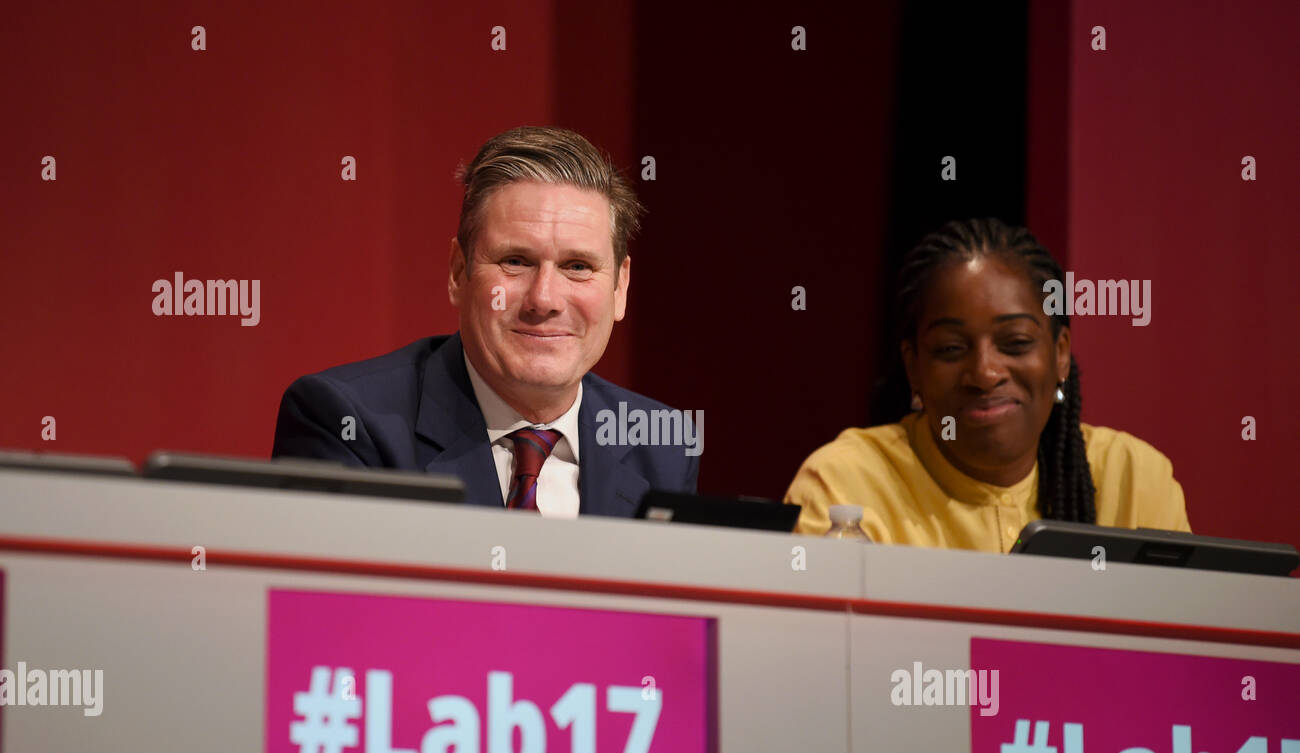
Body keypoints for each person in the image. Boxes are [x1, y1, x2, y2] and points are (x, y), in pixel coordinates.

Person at [272, 126, 698, 517]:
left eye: (578, 266)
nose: (544, 299)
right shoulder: (348, 423)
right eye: (515, 261)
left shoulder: (659, 443)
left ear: (620, 287)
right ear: (460, 273)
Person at [785, 218, 1191, 550]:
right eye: (950, 348)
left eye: (1014, 343)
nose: (984, 373)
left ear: (1060, 354)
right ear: (914, 367)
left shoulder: (1134, 479)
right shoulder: (846, 484)